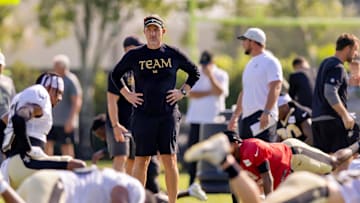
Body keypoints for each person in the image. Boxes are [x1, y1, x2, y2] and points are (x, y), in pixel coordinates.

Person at [110, 14, 200, 203]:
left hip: (167, 115)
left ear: (163, 32)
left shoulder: (172, 53)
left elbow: (194, 72)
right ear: (144, 32)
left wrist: (182, 92)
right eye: (149, 30)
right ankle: (138, 200)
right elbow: (115, 75)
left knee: (170, 159)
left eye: (156, 30)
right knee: (142, 160)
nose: (152, 33)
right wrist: (127, 94)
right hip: (143, 115)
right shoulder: (135, 55)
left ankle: (172, 201)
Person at [184, 132, 360, 203]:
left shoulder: (251, 147)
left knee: (333, 162)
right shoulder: (239, 158)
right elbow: (239, 187)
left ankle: (357, 145)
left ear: (237, 143)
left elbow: (267, 177)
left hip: (294, 156)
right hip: (290, 173)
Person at [90, 114, 208, 201]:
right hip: (145, 167)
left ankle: (190, 191)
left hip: (149, 168)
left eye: (100, 133)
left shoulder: (122, 131)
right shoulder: (116, 138)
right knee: (156, 196)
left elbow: (127, 147)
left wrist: (103, 152)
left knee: (155, 197)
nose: (101, 138)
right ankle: (190, 191)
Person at [0, 72, 86, 189]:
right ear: (49, 88)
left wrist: (8, 152)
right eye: (59, 92)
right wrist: (26, 148)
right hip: (26, 162)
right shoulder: (41, 93)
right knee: (78, 166)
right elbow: (19, 117)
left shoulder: (19, 98)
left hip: (12, 165)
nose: (60, 98)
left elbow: (3, 123)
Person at [228, 27, 283, 142]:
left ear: (252, 42)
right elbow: (244, 92)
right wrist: (235, 116)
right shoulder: (250, 64)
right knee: (248, 156)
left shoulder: (270, 61)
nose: (243, 44)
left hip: (262, 116)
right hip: (247, 117)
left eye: (245, 40)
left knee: (263, 156)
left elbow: (276, 87)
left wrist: (266, 112)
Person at [185, 50, 229, 186]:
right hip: (196, 119)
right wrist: (210, 92)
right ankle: (192, 181)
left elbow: (221, 91)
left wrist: (210, 77)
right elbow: (190, 93)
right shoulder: (196, 73)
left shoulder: (221, 74)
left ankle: (218, 181)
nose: (204, 67)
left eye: (206, 64)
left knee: (217, 151)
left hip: (213, 120)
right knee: (193, 150)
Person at [312, 33, 359, 153]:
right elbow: (330, 92)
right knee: (342, 161)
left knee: (324, 166)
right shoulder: (338, 67)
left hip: (318, 121)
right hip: (331, 121)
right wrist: (345, 115)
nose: (356, 54)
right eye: (355, 49)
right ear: (348, 48)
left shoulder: (325, 63)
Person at [107, 36, 142, 173]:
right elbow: (111, 101)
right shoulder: (117, 72)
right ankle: (113, 190)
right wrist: (115, 125)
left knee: (133, 160)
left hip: (136, 123)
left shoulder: (142, 70)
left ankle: (129, 192)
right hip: (119, 123)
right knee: (121, 157)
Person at [16, 166, 146, 203]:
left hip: (44, 180)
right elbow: (119, 192)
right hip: (57, 188)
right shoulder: (138, 192)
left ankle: (3, 186)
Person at [46, 54, 83, 157]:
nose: (54, 68)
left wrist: (71, 120)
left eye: (56, 65)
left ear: (63, 66)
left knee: (66, 146)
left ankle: (69, 170)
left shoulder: (71, 80)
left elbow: (77, 101)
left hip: (66, 121)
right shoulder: (52, 79)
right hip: (52, 120)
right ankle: (47, 168)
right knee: (47, 144)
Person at [347, 57, 360, 124]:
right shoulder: (344, 79)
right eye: (352, 65)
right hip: (349, 118)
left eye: (356, 65)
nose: (354, 68)